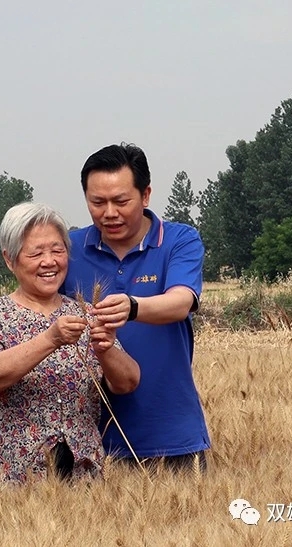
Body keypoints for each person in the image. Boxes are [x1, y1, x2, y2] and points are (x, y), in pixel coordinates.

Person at [0, 202, 140, 496]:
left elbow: (127, 382)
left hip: (82, 477)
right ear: (10, 260)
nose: (49, 261)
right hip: (9, 479)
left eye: (57, 250)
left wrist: (106, 349)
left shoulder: (85, 312)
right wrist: (51, 339)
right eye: (36, 253)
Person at [62, 143, 211, 473]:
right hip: (89, 442)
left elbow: (181, 301)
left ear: (145, 195)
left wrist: (132, 307)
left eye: (121, 201)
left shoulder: (179, 240)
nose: (109, 213)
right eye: (97, 202)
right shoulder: (68, 248)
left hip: (172, 435)